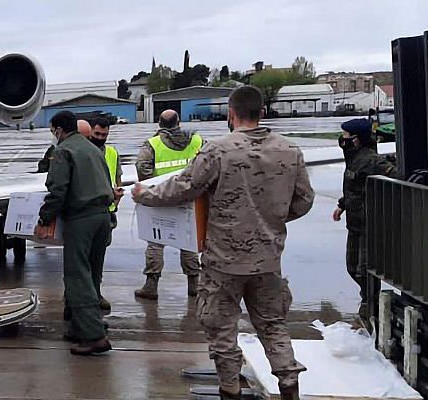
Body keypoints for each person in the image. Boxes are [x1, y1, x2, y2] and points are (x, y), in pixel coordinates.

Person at [132, 86, 314, 399]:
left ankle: (229, 389)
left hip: (223, 260)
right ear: (263, 113)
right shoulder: (289, 150)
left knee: (222, 328)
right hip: (268, 259)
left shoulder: (218, 150)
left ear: (231, 114)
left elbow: (184, 187)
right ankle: (289, 385)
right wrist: (270, 221)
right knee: (272, 325)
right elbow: (304, 200)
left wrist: (143, 194)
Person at [36, 111, 113, 355]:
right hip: (103, 216)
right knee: (92, 275)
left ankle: (93, 336)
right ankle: (82, 325)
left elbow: (58, 190)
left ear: (59, 130)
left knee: (77, 276)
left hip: (82, 219)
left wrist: (45, 218)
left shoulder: (63, 152)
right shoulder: (93, 149)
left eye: (53, 131)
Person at [333, 118, 400, 321]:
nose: (342, 139)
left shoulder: (371, 160)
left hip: (369, 224)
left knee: (365, 271)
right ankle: (368, 302)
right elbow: (354, 187)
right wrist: (342, 205)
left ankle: (371, 308)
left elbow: (396, 174)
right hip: (354, 222)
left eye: (345, 136)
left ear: (356, 139)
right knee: (351, 267)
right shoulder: (353, 158)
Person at [134, 109, 203, 300]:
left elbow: (142, 168)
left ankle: (151, 285)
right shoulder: (197, 140)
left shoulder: (153, 144)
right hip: (189, 197)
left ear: (159, 123)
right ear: (178, 121)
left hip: (160, 197)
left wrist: (154, 187)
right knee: (188, 241)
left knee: (156, 240)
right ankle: (194, 284)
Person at [88, 117, 124, 311]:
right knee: (84, 259)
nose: (101, 138)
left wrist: (117, 199)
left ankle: (96, 292)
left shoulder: (111, 152)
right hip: (87, 212)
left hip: (107, 212)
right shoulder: (84, 151)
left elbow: (118, 178)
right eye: (97, 134)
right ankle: (81, 295)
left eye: (104, 135)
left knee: (98, 257)